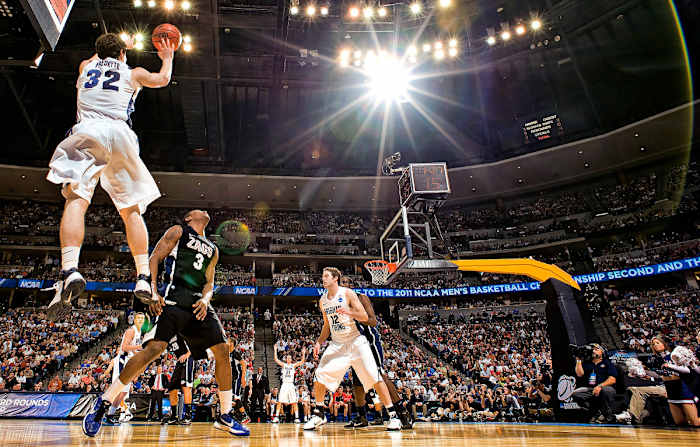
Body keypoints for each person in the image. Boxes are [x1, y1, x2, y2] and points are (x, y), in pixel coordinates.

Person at [81, 210, 249, 438]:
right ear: (189, 217)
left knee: (223, 350)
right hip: (172, 300)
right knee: (154, 349)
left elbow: (209, 282)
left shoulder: (213, 249)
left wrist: (205, 298)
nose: (205, 211)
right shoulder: (179, 231)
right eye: (198, 210)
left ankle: (225, 414)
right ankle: (104, 401)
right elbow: (154, 259)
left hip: (198, 306)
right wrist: (152, 291)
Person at [44, 33, 175, 321]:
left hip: (89, 130)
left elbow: (96, 58)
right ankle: (142, 275)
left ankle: (70, 269)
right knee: (131, 211)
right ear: (123, 54)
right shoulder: (133, 72)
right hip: (120, 135)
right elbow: (162, 80)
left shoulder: (85, 67)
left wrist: (111, 48)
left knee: (76, 199)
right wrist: (167, 58)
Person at [303, 267, 401, 431]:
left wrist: (349, 311)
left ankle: (393, 416)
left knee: (375, 377)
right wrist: (319, 342)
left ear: (335, 278)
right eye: (323, 276)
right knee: (319, 375)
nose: (323, 279)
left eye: (326, 276)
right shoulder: (323, 300)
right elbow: (327, 325)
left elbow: (365, 317)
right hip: (337, 344)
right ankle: (319, 414)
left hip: (356, 342)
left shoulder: (348, 294)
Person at [340, 276, 413, 430]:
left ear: (351, 285)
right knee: (357, 383)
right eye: (339, 283)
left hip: (369, 342)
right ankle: (362, 417)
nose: (342, 285)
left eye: (345, 282)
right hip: (353, 345)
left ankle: (403, 414)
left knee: (379, 376)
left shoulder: (361, 298)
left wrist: (352, 314)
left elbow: (373, 321)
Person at [102, 312, 145, 424]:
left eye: (142, 318)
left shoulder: (139, 332)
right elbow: (125, 347)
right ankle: (101, 410)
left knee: (124, 392)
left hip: (129, 361)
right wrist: (140, 347)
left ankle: (110, 413)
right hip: (122, 360)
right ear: (134, 320)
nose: (141, 320)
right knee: (117, 389)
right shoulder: (131, 330)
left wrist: (139, 354)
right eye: (139, 318)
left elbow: (132, 349)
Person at [572, 343, 618, 424]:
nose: (593, 350)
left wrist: (599, 386)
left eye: (596, 349)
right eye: (592, 349)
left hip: (605, 388)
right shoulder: (587, 363)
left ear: (602, 353)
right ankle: (595, 412)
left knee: (606, 391)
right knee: (575, 394)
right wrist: (578, 359)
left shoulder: (607, 363)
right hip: (591, 389)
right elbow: (579, 374)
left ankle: (608, 416)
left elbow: (612, 379)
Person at [163, 335, 195, 425]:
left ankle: (188, 416)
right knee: (172, 389)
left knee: (186, 387)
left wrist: (187, 354)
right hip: (179, 361)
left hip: (188, 358)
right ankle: (174, 416)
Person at [273, 342, 306, 423]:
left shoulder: (293, 365)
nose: (288, 359)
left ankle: (297, 417)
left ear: (291, 360)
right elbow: (276, 359)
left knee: (294, 401)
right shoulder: (284, 365)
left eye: (289, 358)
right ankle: (276, 417)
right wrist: (275, 350)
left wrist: (303, 353)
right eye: (287, 358)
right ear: (286, 359)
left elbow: (302, 361)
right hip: (284, 384)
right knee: (280, 400)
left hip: (291, 384)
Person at [228, 340, 250, 424]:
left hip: (237, 378)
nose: (227, 343)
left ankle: (244, 416)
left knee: (236, 397)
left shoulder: (235, 353)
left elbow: (244, 364)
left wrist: (243, 378)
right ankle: (234, 415)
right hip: (231, 378)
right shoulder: (228, 354)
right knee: (232, 398)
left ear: (233, 344)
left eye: (229, 342)